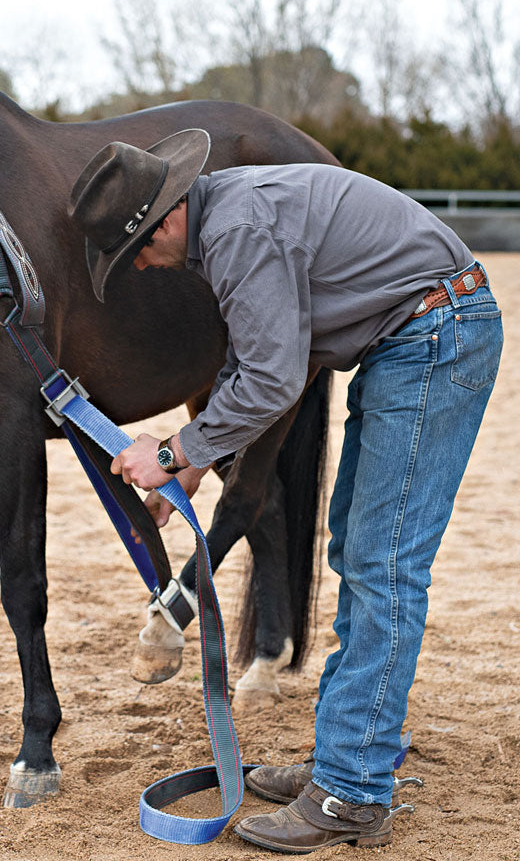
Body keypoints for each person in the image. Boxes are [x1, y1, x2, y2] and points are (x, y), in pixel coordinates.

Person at [68, 129, 503, 853]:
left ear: (167, 218)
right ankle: (345, 757)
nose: (139, 264)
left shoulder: (237, 231)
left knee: (382, 564)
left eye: (135, 246)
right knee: (359, 554)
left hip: (431, 337)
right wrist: (199, 461)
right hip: (415, 339)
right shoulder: (227, 224)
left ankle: (354, 792)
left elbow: (272, 376)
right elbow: (261, 350)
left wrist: (174, 447)